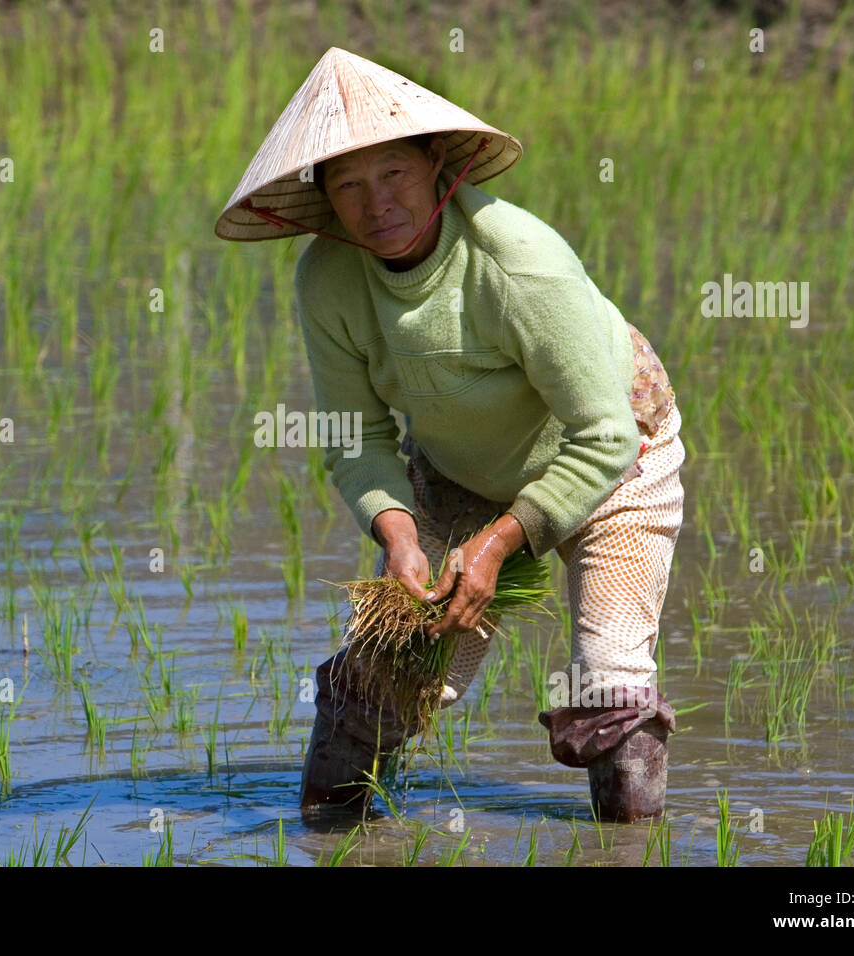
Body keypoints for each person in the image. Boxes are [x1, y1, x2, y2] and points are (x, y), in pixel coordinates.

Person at [215, 48, 685, 823]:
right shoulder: (329, 280)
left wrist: (499, 546)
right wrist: (398, 534)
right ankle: (336, 831)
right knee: (385, 676)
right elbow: (355, 433)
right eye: (350, 186)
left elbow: (601, 435)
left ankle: (627, 838)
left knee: (609, 685)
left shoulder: (516, 262)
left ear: (437, 164)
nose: (377, 205)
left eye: (393, 173)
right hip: (459, 473)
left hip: (615, 460)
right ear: (325, 199)